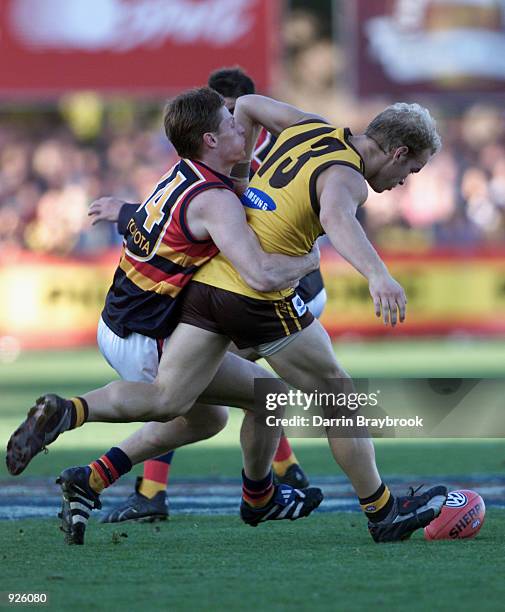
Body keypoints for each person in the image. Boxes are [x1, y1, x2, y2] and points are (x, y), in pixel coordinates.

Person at [7, 93, 448, 544]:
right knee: (338, 394)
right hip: (257, 294)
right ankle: (382, 511)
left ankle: (74, 415)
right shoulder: (347, 177)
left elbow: (251, 105)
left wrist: (243, 182)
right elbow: (335, 215)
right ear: (398, 153)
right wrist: (377, 274)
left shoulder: (311, 126)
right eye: (409, 171)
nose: (401, 182)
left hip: (208, 288)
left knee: (175, 400)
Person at [92, 67, 322, 524]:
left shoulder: (241, 172)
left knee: (208, 390)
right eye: (227, 119)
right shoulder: (218, 170)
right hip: (252, 289)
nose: (233, 127)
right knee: (240, 395)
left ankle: (146, 486)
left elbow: (214, 231)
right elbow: (183, 217)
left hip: (268, 292)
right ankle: (278, 476)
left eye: (233, 117)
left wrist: (126, 213)